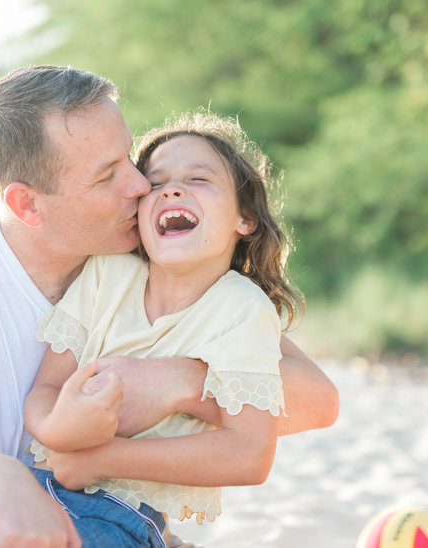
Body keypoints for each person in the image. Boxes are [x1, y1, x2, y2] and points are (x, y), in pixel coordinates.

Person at [0, 65, 338, 548]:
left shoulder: (147, 264)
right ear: (27, 204)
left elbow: (317, 400)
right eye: (108, 175)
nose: (140, 185)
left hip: (116, 521)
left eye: (130, 158)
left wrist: (179, 381)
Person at [22, 111, 301, 547]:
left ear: (244, 218)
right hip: (34, 486)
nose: (172, 188)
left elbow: (250, 455)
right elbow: (46, 388)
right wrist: (58, 431)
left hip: (129, 517)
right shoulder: (106, 275)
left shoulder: (243, 311)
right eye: (155, 183)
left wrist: (102, 459)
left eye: (199, 180)